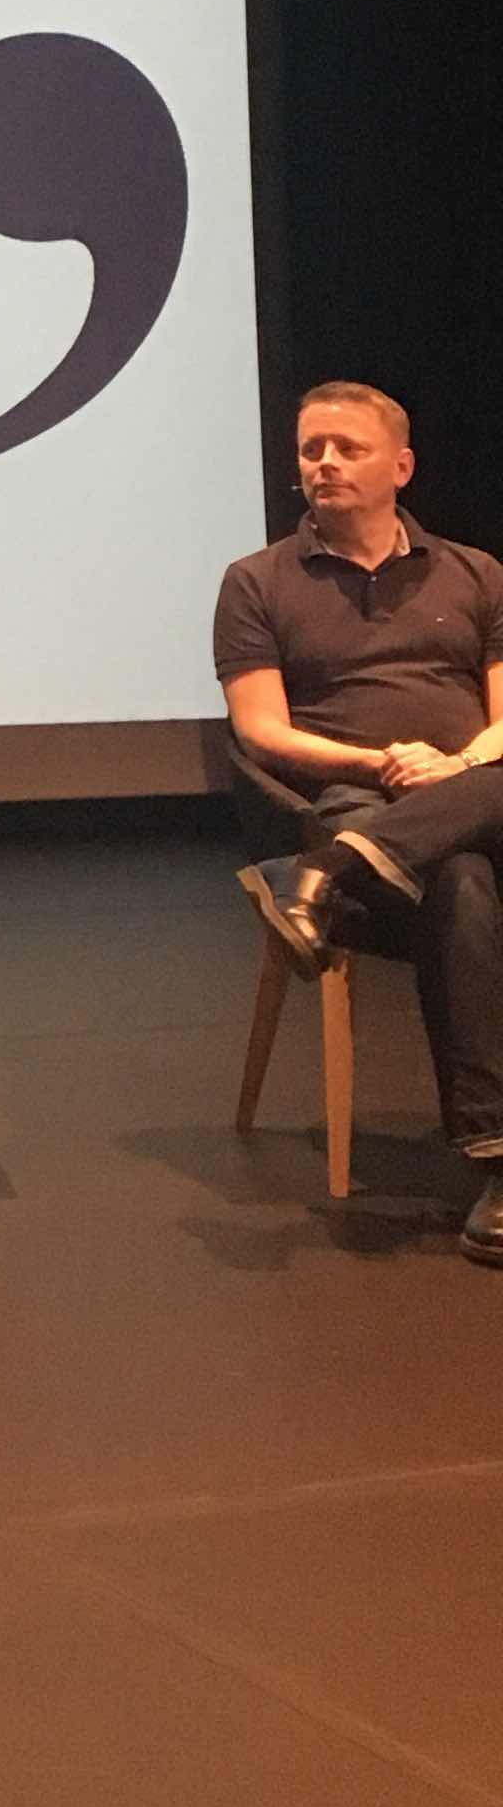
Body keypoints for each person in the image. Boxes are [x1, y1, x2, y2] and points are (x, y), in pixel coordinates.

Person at [214, 380, 503, 1261]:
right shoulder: (258, 581)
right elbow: (261, 732)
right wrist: (379, 765)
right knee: (461, 883)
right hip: (355, 798)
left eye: (347, 448)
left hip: (473, 785)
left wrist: (456, 767)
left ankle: (331, 873)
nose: (325, 463)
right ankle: (497, 1161)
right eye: (312, 450)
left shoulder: (477, 573)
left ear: (401, 467)